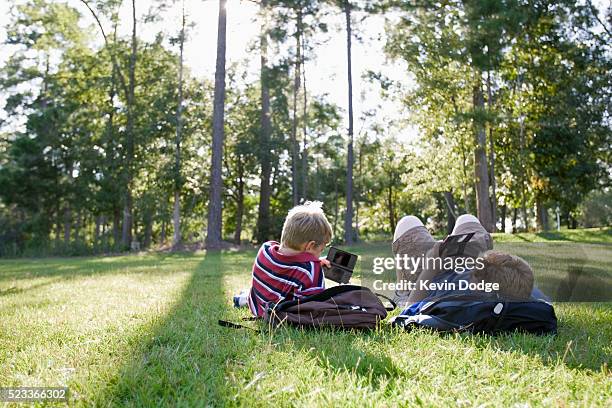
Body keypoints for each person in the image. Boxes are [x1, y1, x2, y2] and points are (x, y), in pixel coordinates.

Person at [392, 214, 534, 306]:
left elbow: (411, 308)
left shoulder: (459, 302)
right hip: (458, 264)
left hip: (427, 280)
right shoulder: (509, 289)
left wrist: (431, 266)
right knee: (467, 219)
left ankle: (403, 292)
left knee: (408, 222)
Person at [235, 201, 333, 317]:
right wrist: (314, 269)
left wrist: (313, 261)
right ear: (310, 246)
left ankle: (243, 299)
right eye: (321, 250)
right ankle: (243, 298)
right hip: (276, 315)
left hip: (257, 304)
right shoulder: (309, 270)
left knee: (267, 291)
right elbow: (312, 309)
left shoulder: (266, 249)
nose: (319, 255)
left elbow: (288, 265)